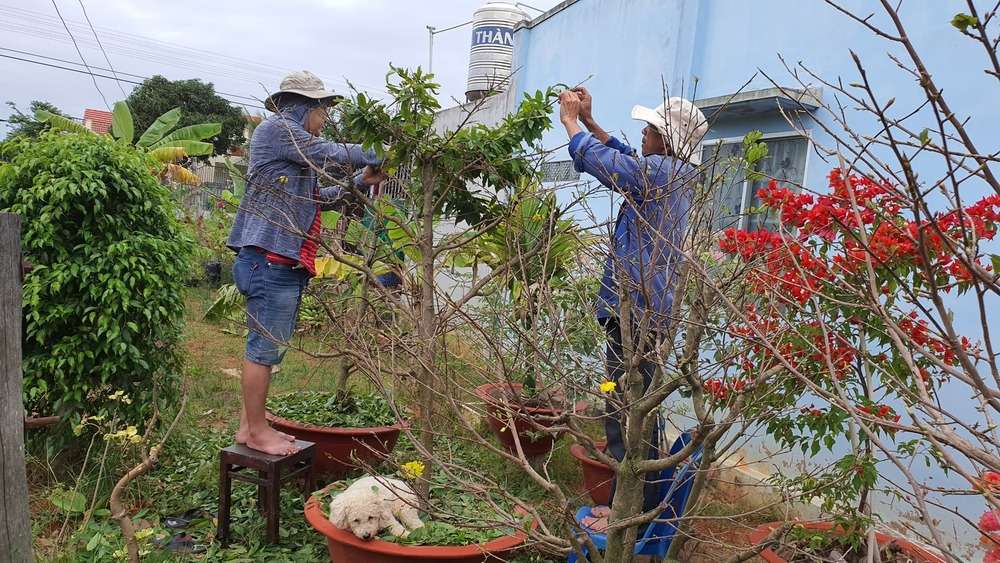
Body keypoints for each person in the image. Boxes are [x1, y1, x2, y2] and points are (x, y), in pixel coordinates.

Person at [558, 87, 707, 514]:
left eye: (651, 129)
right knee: (639, 402)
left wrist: (571, 123)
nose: (642, 134)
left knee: (624, 403)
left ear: (669, 141)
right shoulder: (676, 174)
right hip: (652, 307)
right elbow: (627, 159)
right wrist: (590, 123)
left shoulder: (658, 173)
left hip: (636, 308)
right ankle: (642, 499)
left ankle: (630, 510)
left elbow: (612, 166)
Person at [227, 71, 387, 455]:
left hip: (278, 260)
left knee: (267, 347)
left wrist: (361, 181)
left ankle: (249, 426)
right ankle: (257, 431)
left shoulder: (293, 155)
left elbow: (318, 199)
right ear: (305, 107)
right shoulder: (278, 130)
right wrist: (378, 150)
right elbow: (332, 151)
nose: (326, 117)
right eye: (324, 109)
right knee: (263, 350)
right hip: (268, 259)